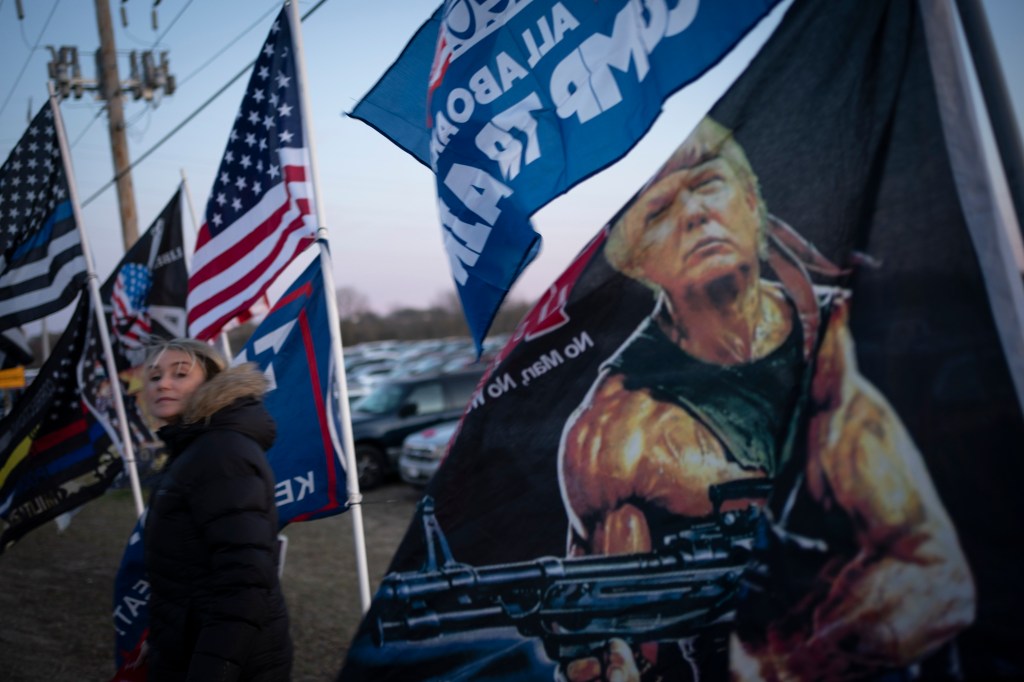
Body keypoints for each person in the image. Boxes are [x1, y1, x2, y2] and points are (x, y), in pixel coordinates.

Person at [557, 118, 974, 681]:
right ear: (637, 264)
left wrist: (777, 666)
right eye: (658, 212)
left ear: (752, 203)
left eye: (707, 184)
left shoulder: (842, 335)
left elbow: (936, 576)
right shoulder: (618, 435)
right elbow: (613, 631)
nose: (694, 214)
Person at [141, 338, 292, 681]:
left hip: (234, 660)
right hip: (193, 645)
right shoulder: (195, 446)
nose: (163, 383)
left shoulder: (221, 452)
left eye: (180, 374)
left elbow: (245, 581)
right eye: (154, 377)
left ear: (211, 384)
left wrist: (213, 670)